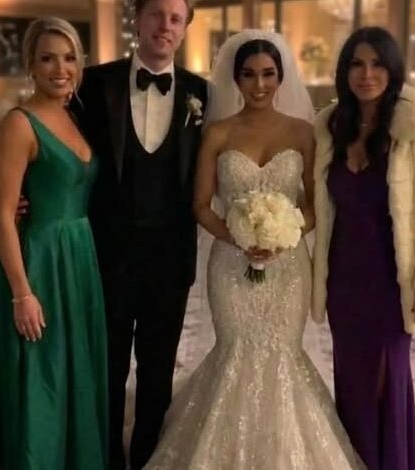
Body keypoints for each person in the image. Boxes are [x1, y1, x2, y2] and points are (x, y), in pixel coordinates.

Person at [143, 30, 365, 470]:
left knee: (281, 355)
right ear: (236, 79)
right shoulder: (218, 132)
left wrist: (283, 237)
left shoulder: (303, 132)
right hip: (230, 265)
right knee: (235, 352)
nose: (259, 84)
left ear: (281, 78)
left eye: (267, 74)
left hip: (287, 267)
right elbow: (200, 205)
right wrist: (238, 237)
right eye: (248, 74)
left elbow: (315, 204)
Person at [312, 26, 415, 470]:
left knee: (385, 382)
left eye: (377, 64)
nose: (367, 74)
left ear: (393, 69)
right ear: (344, 72)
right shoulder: (330, 128)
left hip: (393, 282)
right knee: (352, 386)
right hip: (345, 284)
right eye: (357, 64)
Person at [0, 17, 108, 470]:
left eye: (69, 58)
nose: (60, 69)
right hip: (39, 264)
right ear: (30, 64)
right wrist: (22, 294)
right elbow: (2, 215)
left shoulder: (73, 117)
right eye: (47, 58)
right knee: (40, 381)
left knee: (72, 376)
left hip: (78, 261)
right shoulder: (18, 124)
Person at [68, 0, 208, 468]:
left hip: (170, 260)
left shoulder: (202, 94)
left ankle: (148, 458)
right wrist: (29, 191)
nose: (165, 26)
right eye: (156, 14)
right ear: (138, 18)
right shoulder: (92, 83)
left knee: (157, 373)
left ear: (185, 28)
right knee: (106, 371)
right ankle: (106, 459)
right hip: (107, 256)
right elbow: (51, 135)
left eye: (175, 18)